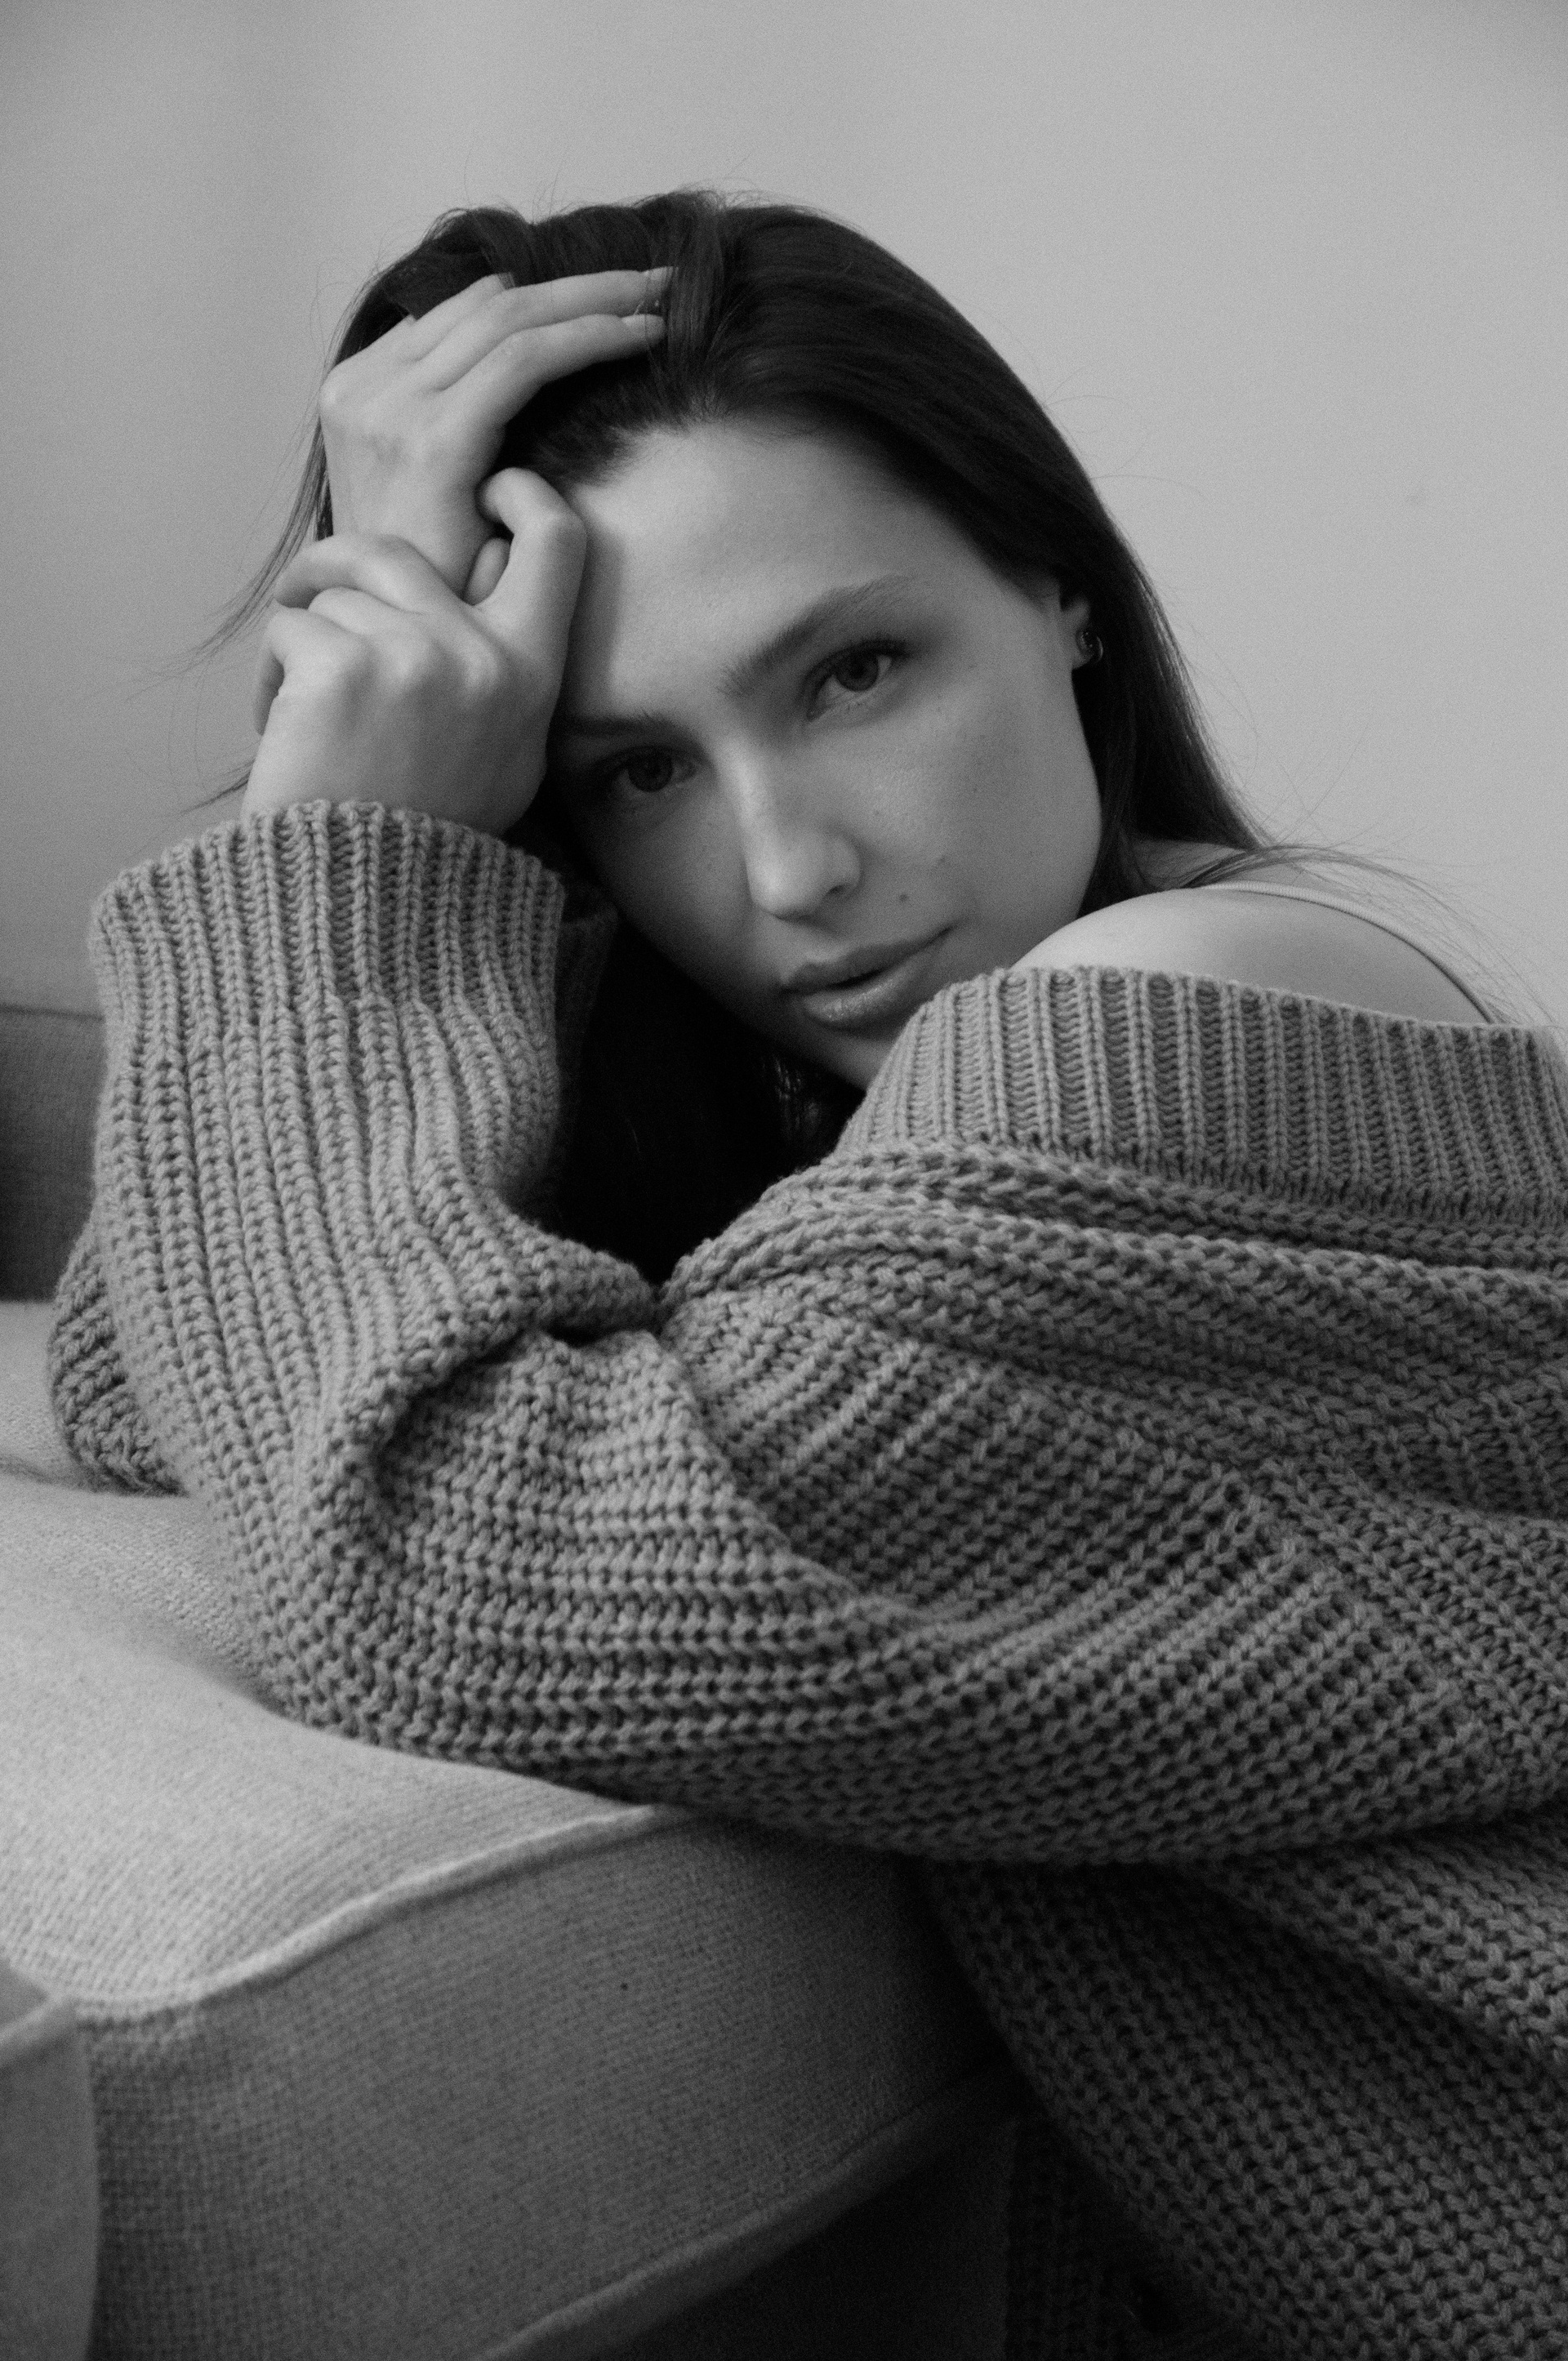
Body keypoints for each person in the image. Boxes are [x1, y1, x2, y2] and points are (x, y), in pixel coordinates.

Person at [49, 190, 1568, 2359]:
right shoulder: (842, 1116)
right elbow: (155, 1378)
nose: (791, 868)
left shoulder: (1191, 1001)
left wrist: (335, 868)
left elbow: (440, 1567)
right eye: (637, 769)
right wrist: (414, 806)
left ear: (1057, 588)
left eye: (855, 671)